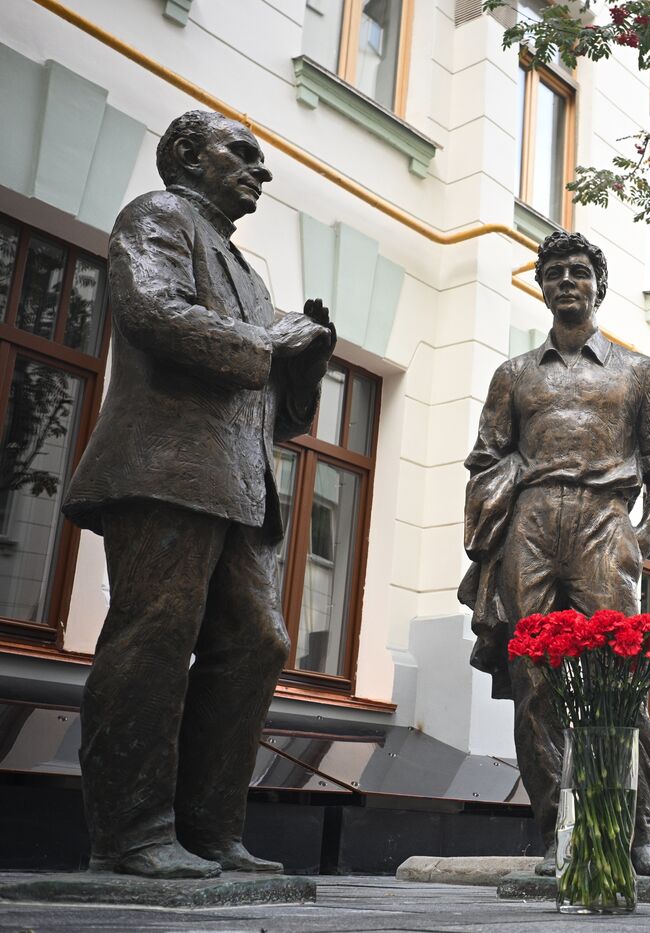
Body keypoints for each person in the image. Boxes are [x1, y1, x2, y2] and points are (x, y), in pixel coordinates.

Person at [63, 110, 336, 879]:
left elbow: (277, 410)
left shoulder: (248, 274)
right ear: (188, 153)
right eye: (243, 154)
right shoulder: (158, 217)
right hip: (164, 468)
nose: (261, 171)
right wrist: (266, 343)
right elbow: (153, 313)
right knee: (154, 634)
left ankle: (211, 832)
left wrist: (306, 358)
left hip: (237, 481)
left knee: (257, 643)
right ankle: (131, 834)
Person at [461, 231, 650, 877]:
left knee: (616, 679)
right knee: (535, 684)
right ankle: (557, 838)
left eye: (579, 271)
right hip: (531, 525)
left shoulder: (636, 370)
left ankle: (640, 835)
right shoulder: (513, 374)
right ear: (542, 286)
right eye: (555, 272)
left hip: (603, 520)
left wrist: (646, 534)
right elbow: (486, 457)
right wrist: (497, 523)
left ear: (599, 285)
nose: (566, 280)